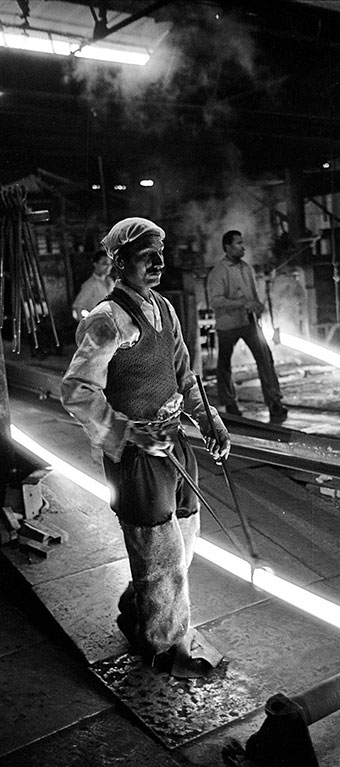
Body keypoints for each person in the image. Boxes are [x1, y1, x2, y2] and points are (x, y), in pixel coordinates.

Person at [61, 217, 230, 678]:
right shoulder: (106, 320)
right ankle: (165, 648)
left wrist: (207, 417)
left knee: (185, 539)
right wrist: (128, 433)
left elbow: (183, 373)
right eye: (145, 255)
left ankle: (138, 606)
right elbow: (77, 390)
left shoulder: (164, 309)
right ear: (118, 263)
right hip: (137, 457)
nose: (158, 263)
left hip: (173, 443)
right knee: (161, 557)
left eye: (161, 253)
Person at [207, 230, 288, 422]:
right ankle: (230, 403)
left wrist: (258, 305)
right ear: (227, 247)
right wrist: (242, 303)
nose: (243, 247)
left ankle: (274, 402)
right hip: (227, 324)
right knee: (224, 365)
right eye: (238, 243)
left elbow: (252, 294)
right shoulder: (219, 272)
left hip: (249, 321)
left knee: (265, 359)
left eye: (242, 243)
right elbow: (216, 301)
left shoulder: (246, 268)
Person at [72, 249, 115, 321]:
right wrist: (86, 325)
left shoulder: (110, 282)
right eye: (104, 264)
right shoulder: (90, 284)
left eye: (110, 264)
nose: (109, 266)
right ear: (95, 264)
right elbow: (77, 307)